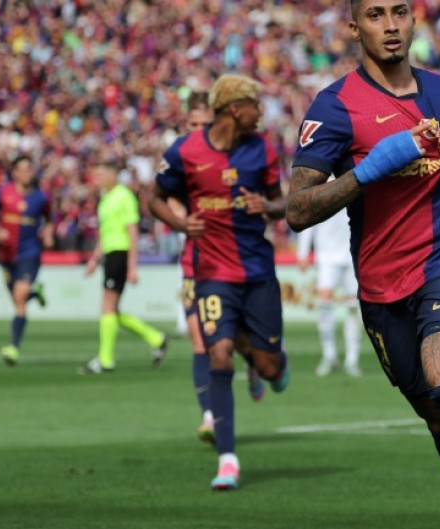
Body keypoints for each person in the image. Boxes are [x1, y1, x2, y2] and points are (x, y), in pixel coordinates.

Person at [286, 2, 440, 527]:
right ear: (355, 28)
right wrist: (370, 170)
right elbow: (297, 211)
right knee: (437, 417)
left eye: (399, 12)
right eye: (375, 15)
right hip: (381, 282)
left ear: (413, 21)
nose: (390, 26)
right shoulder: (334, 107)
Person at [150, 73, 290, 490]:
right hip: (211, 274)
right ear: (235, 108)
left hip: (258, 273)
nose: (260, 112)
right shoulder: (185, 151)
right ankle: (227, 459)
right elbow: (153, 198)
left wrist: (267, 206)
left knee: (268, 368)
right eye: (255, 105)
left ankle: (266, 362)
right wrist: (180, 223)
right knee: (219, 354)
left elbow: (282, 203)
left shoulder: (262, 149)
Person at [173, 91, 266, 445]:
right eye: (192, 123)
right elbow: (166, 198)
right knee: (201, 341)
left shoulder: (236, 156)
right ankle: (210, 416)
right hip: (196, 264)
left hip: (235, 262)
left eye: (204, 124)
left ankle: (254, 362)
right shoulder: (180, 157)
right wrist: (179, 216)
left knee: (234, 340)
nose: (198, 129)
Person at [79, 162, 169, 374]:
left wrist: (132, 266)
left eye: (101, 174)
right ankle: (156, 338)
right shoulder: (106, 198)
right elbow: (105, 233)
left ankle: (106, 360)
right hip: (111, 254)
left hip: (120, 253)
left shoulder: (123, 196)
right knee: (112, 310)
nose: (97, 179)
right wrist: (95, 259)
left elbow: (132, 231)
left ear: (113, 176)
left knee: (108, 306)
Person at [0, 156, 53, 365]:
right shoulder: (3, 192)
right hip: (6, 254)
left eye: (29, 169)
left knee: (19, 299)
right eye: (21, 169)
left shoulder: (41, 197)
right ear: (14, 172)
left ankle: (13, 347)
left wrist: (48, 234)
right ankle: (35, 293)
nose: (26, 173)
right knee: (18, 299)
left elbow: (50, 219)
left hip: (29, 252)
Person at [295, 201, 362, 377]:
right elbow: (309, 218)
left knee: (353, 307)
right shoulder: (320, 188)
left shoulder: (354, 186)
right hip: (326, 257)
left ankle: (352, 360)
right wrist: (302, 252)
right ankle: (329, 355)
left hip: (352, 255)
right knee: (324, 304)